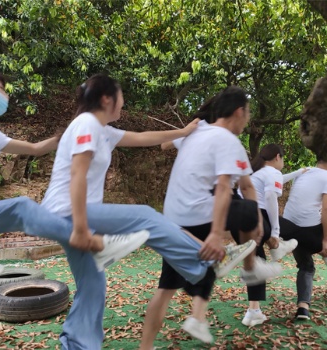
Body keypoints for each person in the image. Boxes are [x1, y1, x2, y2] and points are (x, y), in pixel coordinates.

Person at [40, 75, 257, 350]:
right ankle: (206, 262)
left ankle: (77, 345)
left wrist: (182, 132)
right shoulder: (87, 124)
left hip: (75, 214)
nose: (124, 102)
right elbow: (77, 174)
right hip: (68, 213)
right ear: (107, 99)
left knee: (93, 286)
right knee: (146, 217)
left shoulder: (103, 130)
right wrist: (81, 229)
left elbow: (143, 138)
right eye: (121, 96)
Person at [0, 62, 150, 320]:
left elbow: (35, 149)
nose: (5, 96)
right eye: (0, 89)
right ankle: (92, 241)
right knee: (21, 206)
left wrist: (65, 135)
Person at [139, 87, 282, 349]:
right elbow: (228, 188)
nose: (248, 120)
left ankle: (154, 342)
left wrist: (185, 130)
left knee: (167, 287)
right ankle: (249, 268)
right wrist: (235, 232)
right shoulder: (228, 141)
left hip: (174, 219)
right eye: (248, 114)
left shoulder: (195, 132)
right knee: (249, 211)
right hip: (200, 215)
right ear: (239, 112)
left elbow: (164, 144)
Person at [240, 144, 302, 327]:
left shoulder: (258, 173)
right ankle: (278, 246)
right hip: (259, 217)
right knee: (297, 230)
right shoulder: (271, 173)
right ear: (277, 157)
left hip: (242, 218)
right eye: (283, 159)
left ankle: (254, 311)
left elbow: (280, 179)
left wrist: (298, 172)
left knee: (255, 266)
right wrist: (275, 232)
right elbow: (270, 199)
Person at [280, 158, 327, 320]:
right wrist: (325, 240)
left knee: (306, 266)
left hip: (288, 228)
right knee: (323, 250)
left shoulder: (303, 172)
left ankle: (303, 308)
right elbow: (326, 209)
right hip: (309, 230)